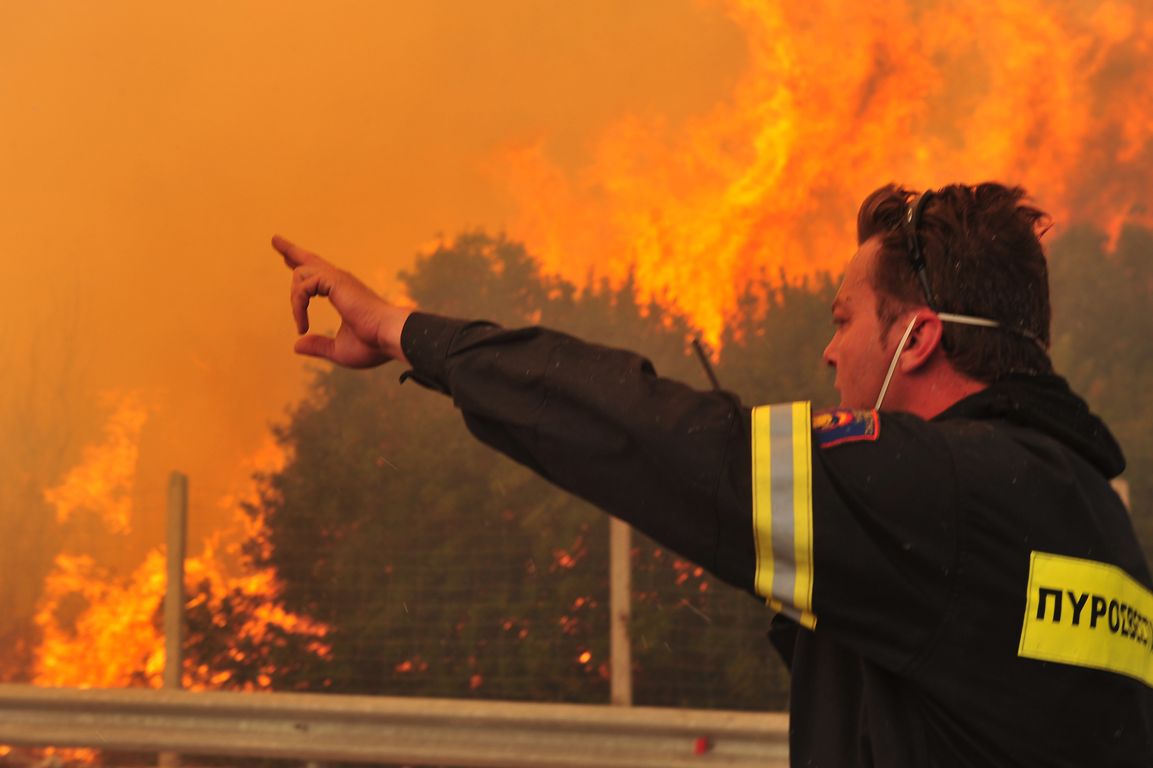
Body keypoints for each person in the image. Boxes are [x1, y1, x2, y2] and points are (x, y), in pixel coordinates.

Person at [272, 182, 1153, 766]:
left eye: (844, 319)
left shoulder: (938, 491)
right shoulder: (1094, 516)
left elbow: (649, 436)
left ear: (918, 336)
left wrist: (406, 331)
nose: (827, 351)